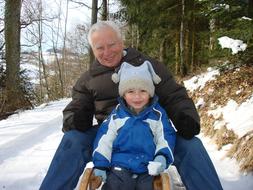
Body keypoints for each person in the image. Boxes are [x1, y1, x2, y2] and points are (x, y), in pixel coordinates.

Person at [40, 20, 223, 190]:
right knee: (72, 140)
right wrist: (75, 119)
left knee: (192, 145)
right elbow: (75, 107)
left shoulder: (147, 66)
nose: (107, 52)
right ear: (93, 50)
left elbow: (174, 95)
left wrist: (186, 117)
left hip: (150, 131)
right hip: (110, 134)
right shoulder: (88, 80)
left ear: (121, 42)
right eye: (100, 48)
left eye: (111, 44)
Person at [92, 61, 177, 190]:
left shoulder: (158, 115)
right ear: (124, 94)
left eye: (143, 90)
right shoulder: (116, 116)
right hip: (119, 168)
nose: (137, 96)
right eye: (131, 91)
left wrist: (162, 157)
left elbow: (165, 137)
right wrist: (100, 164)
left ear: (150, 93)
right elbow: (104, 140)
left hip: (147, 169)